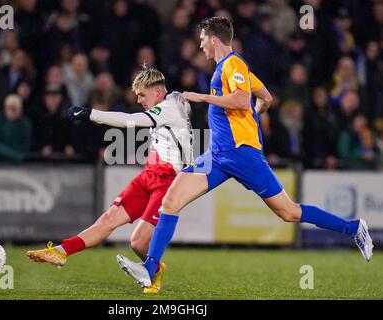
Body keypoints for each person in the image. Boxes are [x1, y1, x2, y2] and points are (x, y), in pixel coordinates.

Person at [117, 16, 374, 290]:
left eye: (203, 39)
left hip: (242, 153)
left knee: (288, 212)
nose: (200, 44)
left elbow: (241, 99)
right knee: (171, 200)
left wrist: (203, 97)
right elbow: (266, 98)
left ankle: (355, 228)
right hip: (217, 155)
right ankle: (150, 268)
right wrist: (253, 116)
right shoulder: (228, 69)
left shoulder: (233, 64)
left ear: (214, 39)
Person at [26, 66, 193, 294]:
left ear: (158, 91)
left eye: (142, 94)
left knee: (137, 243)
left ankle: (154, 269)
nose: (139, 99)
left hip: (169, 182)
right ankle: (61, 251)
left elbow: (128, 120)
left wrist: (90, 113)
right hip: (148, 175)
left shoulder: (170, 107)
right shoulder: (166, 104)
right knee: (108, 219)